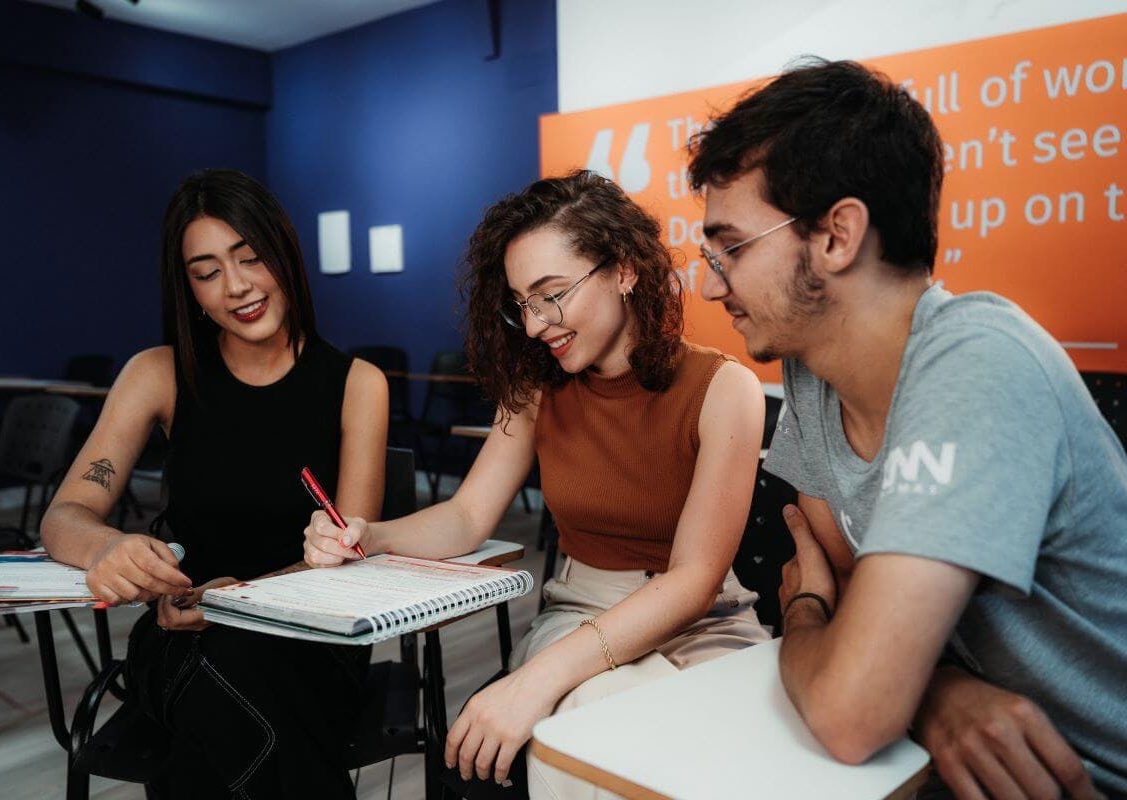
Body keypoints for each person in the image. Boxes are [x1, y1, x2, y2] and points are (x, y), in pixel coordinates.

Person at [689, 58, 1127, 798]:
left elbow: (850, 704)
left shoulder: (978, 360)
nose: (709, 282)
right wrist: (935, 692)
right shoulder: (812, 369)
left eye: (730, 247)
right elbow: (857, 587)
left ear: (837, 236)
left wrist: (802, 612)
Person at [304, 170, 769, 798]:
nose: (533, 324)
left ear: (625, 269)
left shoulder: (723, 388)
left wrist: (536, 681)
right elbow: (468, 517)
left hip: (702, 624)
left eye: (552, 293)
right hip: (582, 608)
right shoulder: (535, 391)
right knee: (593, 732)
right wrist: (369, 534)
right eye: (521, 301)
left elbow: (693, 581)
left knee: (601, 733)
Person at [41, 168, 389, 797]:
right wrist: (106, 549)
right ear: (190, 290)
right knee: (223, 673)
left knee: (225, 698)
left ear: (283, 253)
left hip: (311, 636)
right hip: (182, 629)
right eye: (207, 272)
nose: (236, 287)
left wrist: (239, 600)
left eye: (251, 258)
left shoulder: (357, 383)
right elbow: (65, 513)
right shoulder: (159, 373)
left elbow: (348, 563)